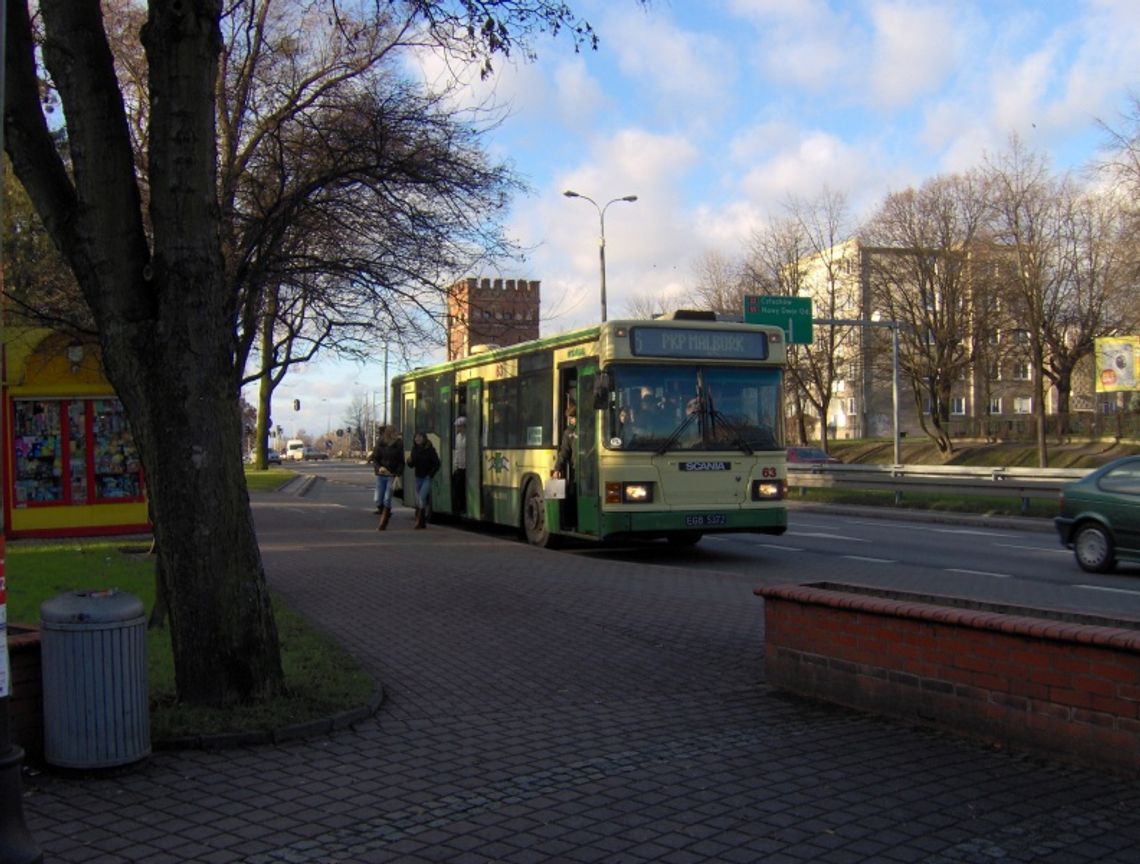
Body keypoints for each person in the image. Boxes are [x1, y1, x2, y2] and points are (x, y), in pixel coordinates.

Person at [368, 427, 404, 530]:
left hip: (391, 475)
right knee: (378, 499)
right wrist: (379, 468)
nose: (396, 435)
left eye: (396, 433)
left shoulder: (399, 444)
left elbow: (401, 461)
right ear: (389, 434)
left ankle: (383, 523)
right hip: (381, 475)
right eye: (394, 432)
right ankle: (382, 510)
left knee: (387, 498)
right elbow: (375, 458)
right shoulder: (381, 444)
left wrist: (397, 473)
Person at [407, 431, 440, 530]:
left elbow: (437, 463)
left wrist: (430, 475)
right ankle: (422, 523)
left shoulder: (430, 449)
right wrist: (409, 462)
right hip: (418, 477)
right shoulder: (414, 449)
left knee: (421, 498)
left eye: (419, 437)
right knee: (419, 500)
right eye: (416, 438)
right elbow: (412, 464)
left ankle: (418, 521)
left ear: (424, 438)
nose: (417, 439)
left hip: (426, 478)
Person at [551, 399, 576, 480]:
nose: (570, 421)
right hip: (576, 469)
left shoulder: (586, 429)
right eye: (569, 418)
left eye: (572, 418)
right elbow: (564, 452)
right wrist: (557, 469)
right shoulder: (568, 432)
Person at [452, 416, 467, 515]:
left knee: (464, 488)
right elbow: (457, 452)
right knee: (458, 488)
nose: (457, 428)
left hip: (467, 467)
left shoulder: (469, 437)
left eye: (459, 426)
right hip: (460, 467)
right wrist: (455, 466)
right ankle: (459, 507)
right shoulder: (458, 437)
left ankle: (463, 507)